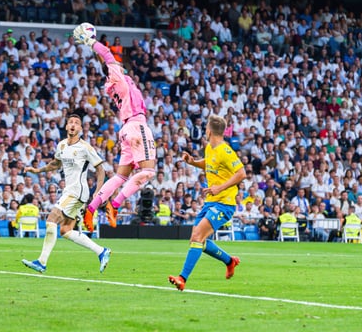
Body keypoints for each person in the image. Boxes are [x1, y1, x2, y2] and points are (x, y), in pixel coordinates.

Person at [74, 23, 157, 230]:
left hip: (127, 129)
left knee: (121, 176)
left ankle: (91, 208)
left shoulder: (115, 83)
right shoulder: (117, 77)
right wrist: (90, 41)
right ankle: (115, 204)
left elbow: (106, 61)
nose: (120, 65)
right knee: (148, 172)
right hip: (136, 126)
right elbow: (106, 54)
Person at [21, 113, 110, 273]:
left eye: (76, 122)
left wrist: (98, 191)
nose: (73, 125)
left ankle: (41, 262)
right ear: (66, 126)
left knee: (51, 219)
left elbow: (100, 169)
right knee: (65, 230)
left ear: (80, 128)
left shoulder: (85, 147)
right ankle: (101, 251)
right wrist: (37, 170)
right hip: (70, 191)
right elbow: (55, 164)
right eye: (70, 122)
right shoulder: (62, 145)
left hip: (77, 191)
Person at [168, 115, 245, 291]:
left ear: (209, 131)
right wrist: (193, 162)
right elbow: (209, 164)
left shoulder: (226, 151)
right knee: (198, 240)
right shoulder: (210, 147)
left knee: (197, 237)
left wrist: (220, 188)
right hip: (210, 202)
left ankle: (182, 278)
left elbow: (241, 173)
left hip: (224, 203)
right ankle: (230, 261)